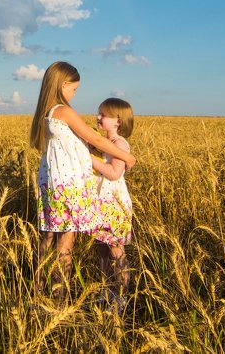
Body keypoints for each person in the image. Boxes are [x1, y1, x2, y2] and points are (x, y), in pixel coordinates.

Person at [30, 61, 137, 300]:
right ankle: (59, 299)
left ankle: (38, 292)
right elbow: (96, 140)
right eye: (74, 89)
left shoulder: (46, 112)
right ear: (63, 84)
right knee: (65, 243)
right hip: (68, 186)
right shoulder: (63, 111)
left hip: (52, 183)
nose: (74, 94)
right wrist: (127, 156)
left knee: (49, 237)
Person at [90, 97, 135, 310]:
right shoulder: (103, 142)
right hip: (101, 201)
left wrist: (89, 159)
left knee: (116, 250)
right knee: (101, 249)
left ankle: (122, 296)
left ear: (118, 121)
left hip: (114, 204)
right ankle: (107, 289)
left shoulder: (119, 144)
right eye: (98, 113)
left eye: (104, 115)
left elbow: (115, 173)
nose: (98, 117)